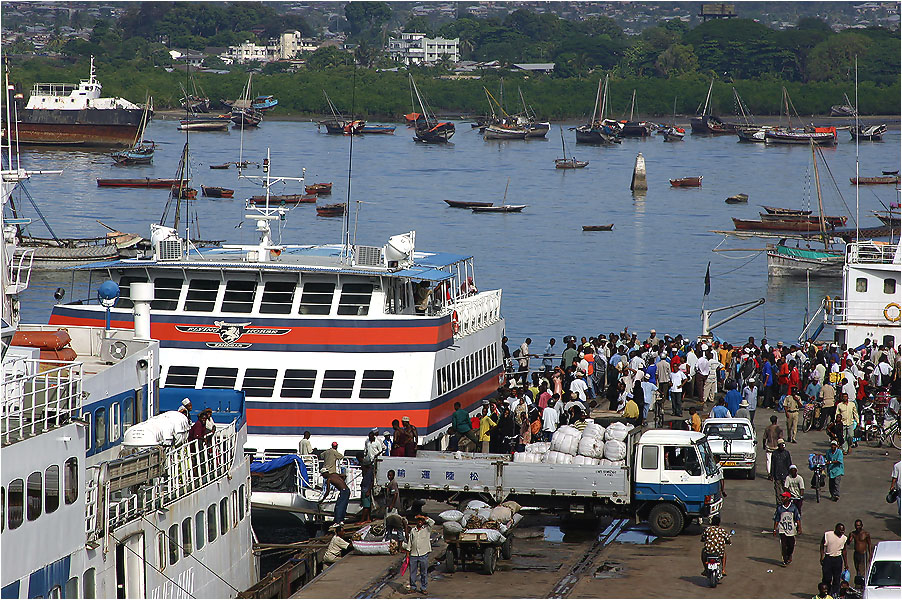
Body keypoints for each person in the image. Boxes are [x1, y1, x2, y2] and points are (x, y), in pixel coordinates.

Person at [404, 513, 435, 594]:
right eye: (419, 521)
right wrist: (408, 552)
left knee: (423, 572)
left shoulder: (427, 529)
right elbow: (410, 542)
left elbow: (432, 522)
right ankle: (413, 587)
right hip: (413, 554)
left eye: (421, 521)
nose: (420, 522)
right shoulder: (413, 531)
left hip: (423, 554)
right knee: (412, 572)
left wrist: (424, 517)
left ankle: (423, 588)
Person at [360, 429, 384, 522]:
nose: (370, 439)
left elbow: (380, 451)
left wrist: (376, 457)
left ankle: (365, 518)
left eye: (371, 437)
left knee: (372, 475)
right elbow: (365, 450)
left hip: (375, 461)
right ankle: (368, 518)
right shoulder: (367, 442)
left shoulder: (377, 442)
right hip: (369, 460)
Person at [774, 491, 802, 566]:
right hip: (782, 529)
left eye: (784, 497)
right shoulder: (780, 508)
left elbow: (797, 518)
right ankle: (785, 560)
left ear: (788, 498)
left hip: (791, 530)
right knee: (783, 545)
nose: (782, 498)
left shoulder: (793, 508)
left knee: (791, 545)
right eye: (782, 497)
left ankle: (789, 555)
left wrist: (799, 528)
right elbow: (776, 519)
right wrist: (774, 529)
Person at [820, 523, 848, 597]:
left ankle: (834, 594)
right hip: (828, 559)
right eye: (841, 530)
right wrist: (822, 556)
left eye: (843, 531)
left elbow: (844, 551)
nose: (842, 532)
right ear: (836, 529)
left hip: (838, 559)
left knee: (837, 578)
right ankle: (826, 593)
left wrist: (846, 563)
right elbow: (822, 545)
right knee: (827, 578)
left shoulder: (844, 538)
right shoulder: (828, 535)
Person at [847, 519, 871, 584]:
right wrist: (850, 537)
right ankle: (859, 583)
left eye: (859, 525)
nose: (857, 527)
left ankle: (862, 584)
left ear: (862, 525)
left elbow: (869, 544)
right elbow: (848, 543)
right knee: (857, 569)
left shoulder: (866, 534)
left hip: (863, 554)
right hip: (856, 554)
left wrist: (870, 555)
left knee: (862, 570)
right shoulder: (853, 534)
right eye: (856, 525)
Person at [771, 439, 793, 504]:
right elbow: (773, 465)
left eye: (783, 445)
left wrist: (790, 474)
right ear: (778, 446)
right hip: (777, 475)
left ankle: (788, 502)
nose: (782, 446)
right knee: (778, 491)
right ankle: (779, 503)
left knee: (787, 490)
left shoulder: (786, 453)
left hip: (785, 475)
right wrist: (771, 475)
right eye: (781, 445)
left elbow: (789, 464)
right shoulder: (774, 453)